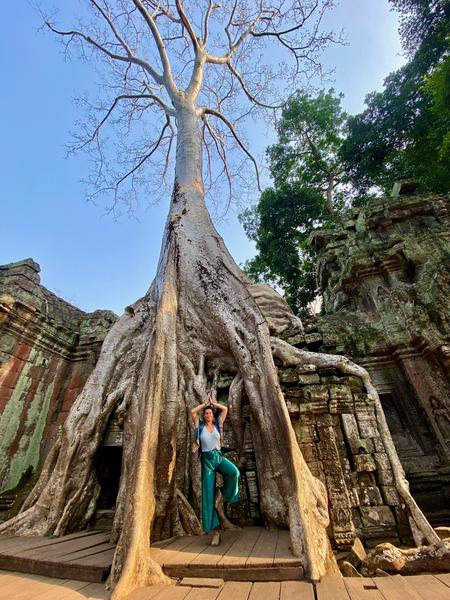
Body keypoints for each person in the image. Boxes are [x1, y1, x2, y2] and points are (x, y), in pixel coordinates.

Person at [191, 392, 240, 546]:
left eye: (210, 412)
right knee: (208, 495)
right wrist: (205, 404)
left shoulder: (219, 422)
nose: (208, 414)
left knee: (234, 472)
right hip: (207, 461)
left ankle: (226, 494)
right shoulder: (199, 426)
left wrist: (213, 403)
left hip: (218, 457)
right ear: (204, 416)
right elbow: (193, 412)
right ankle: (214, 530)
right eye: (206, 413)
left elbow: (225, 409)